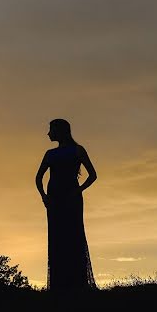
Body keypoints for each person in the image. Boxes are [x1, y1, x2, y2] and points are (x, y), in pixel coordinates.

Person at [35, 118, 97, 293]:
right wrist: (44, 197)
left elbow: (93, 175)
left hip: (70, 198)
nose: (48, 133)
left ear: (60, 131)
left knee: (74, 235)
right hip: (55, 199)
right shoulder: (50, 154)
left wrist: (78, 191)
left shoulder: (77, 150)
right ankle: (60, 284)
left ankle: (77, 284)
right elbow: (38, 178)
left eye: (51, 130)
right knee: (57, 237)